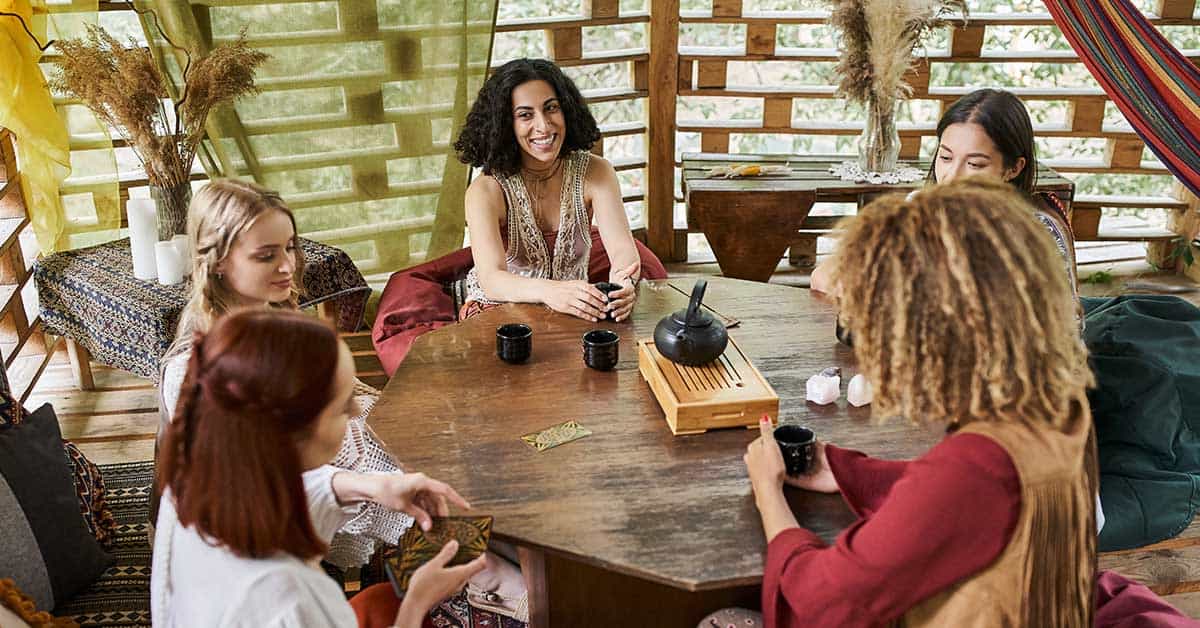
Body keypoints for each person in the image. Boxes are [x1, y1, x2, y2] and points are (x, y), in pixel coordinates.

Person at [730, 179, 1193, 627]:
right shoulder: (1054, 402)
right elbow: (984, 501)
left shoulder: (973, 467)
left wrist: (769, 493)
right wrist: (847, 471)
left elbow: (823, 602)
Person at [151, 308, 485, 627]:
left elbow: (277, 493)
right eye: (342, 406)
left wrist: (362, 485)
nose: (357, 412)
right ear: (289, 433)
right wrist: (417, 602)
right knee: (387, 603)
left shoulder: (198, 476)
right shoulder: (289, 597)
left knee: (379, 602)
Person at [152, 179, 409, 569]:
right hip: (301, 517)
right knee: (462, 524)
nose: (288, 265)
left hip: (362, 462)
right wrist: (370, 483)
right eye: (266, 255)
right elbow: (260, 491)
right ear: (218, 261)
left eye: (290, 247)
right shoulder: (193, 373)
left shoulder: (270, 319)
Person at [371, 58, 668, 374]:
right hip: (500, 309)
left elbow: (624, 255)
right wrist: (552, 291)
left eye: (552, 108)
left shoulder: (597, 172)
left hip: (573, 310)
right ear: (505, 125)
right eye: (525, 115)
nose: (543, 126)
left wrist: (624, 285)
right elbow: (492, 278)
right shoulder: (485, 190)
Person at [810, 88, 1078, 303]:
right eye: (946, 157)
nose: (952, 176)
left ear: (1013, 168)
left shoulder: (1037, 233)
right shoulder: (918, 208)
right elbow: (824, 277)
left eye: (975, 164)